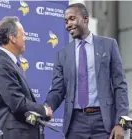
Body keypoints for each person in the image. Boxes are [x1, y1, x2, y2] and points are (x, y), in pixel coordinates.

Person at [44, 3, 129, 139]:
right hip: (75, 124)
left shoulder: (109, 45)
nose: (68, 25)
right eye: (66, 22)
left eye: (72, 18)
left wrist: (121, 123)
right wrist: (46, 107)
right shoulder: (62, 54)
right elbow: (57, 90)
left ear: (85, 19)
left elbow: (120, 86)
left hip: (105, 122)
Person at [0, 16, 52, 139]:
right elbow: (17, 103)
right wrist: (44, 110)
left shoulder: (10, 63)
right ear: (12, 37)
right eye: (23, 34)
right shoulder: (2, 65)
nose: (25, 38)